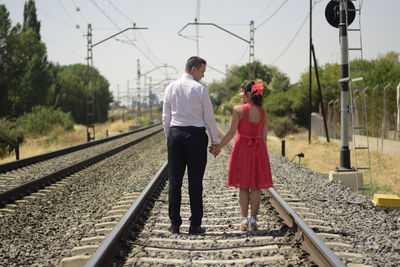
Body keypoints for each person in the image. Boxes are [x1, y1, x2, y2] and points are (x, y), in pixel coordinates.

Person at [162, 56, 219, 235]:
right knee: (195, 182)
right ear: (193, 69)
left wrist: (170, 136)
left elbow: (166, 117)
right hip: (196, 137)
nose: (203, 75)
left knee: (175, 181)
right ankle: (195, 225)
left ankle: (175, 224)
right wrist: (215, 141)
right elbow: (209, 118)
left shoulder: (170, 87)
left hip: (176, 135)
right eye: (202, 71)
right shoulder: (201, 89)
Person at [212, 80, 273, 231]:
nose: (240, 95)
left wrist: (219, 147)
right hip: (258, 151)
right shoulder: (263, 113)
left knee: (244, 187)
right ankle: (254, 221)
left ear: (248, 94)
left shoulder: (238, 110)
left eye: (241, 92)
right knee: (257, 188)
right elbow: (264, 138)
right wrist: (262, 158)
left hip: (242, 150)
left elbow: (232, 132)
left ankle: (244, 221)